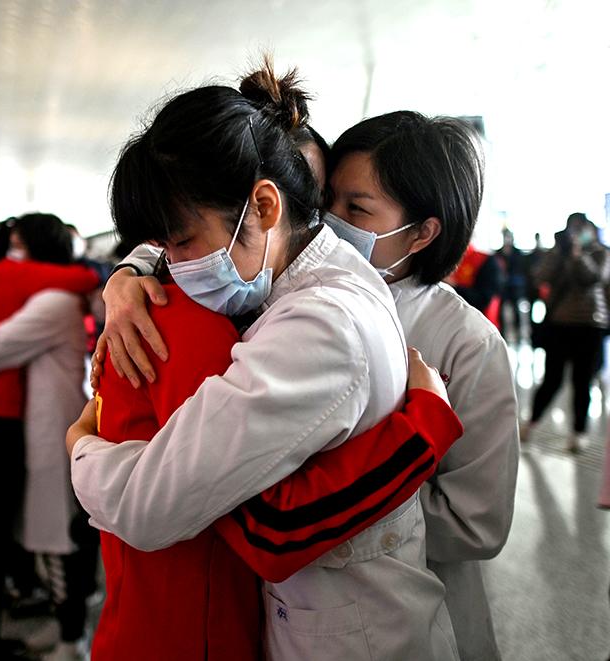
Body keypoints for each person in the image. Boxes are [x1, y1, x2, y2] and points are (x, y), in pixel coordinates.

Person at [66, 63, 457, 659]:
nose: (176, 264)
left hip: (354, 637)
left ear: (266, 205)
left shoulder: (319, 324)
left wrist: (80, 449)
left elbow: (152, 506)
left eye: (182, 243)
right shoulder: (305, 269)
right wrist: (130, 271)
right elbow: (191, 235)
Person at [317, 111, 519, 660]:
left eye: (356, 209)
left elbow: (477, 523)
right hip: (301, 608)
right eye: (327, 200)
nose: (330, 221)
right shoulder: (296, 298)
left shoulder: (466, 344)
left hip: (417, 612)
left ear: (423, 231)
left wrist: (323, 497)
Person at [0, 213, 100, 661]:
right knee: (56, 533)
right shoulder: (63, 291)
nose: (11, 251)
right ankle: (67, 631)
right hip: (45, 423)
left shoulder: (53, 301)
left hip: (52, 429)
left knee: (61, 537)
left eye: (17, 243)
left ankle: (72, 639)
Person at [523, 212, 610, 453]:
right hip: (559, 325)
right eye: (573, 229)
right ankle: (531, 422)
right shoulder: (558, 252)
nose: (577, 234)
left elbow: (593, 278)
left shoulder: (601, 253)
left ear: (591, 230)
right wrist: (559, 254)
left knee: (582, 381)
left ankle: (578, 432)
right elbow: (539, 276)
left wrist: (577, 255)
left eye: (582, 228)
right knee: (552, 378)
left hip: (590, 326)